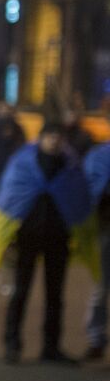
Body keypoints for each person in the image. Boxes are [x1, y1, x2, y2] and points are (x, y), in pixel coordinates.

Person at [0, 122, 95, 365]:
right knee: (20, 293)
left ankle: (51, 347)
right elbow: (8, 199)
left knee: (55, 297)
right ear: (41, 138)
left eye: (58, 136)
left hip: (58, 239)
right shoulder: (23, 164)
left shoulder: (71, 167)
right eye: (50, 135)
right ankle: (12, 345)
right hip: (27, 238)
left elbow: (80, 201)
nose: (54, 140)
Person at [84, 141, 110, 360]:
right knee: (101, 286)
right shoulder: (100, 157)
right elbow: (88, 190)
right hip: (105, 230)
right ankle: (96, 338)